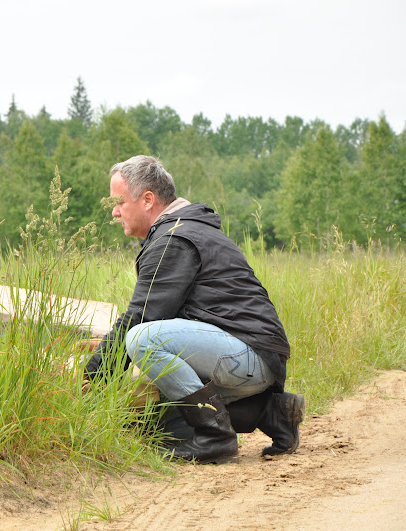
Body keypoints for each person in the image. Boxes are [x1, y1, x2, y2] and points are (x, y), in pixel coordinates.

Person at [83, 155, 304, 463]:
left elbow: (141, 318)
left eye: (119, 202)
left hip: (248, 355)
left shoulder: (175, 239)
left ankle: (216, 437)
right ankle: (272, 413)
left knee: (142, 338)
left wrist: (91, 377)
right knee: (153, 424)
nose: (114, 211)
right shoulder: (183, 230)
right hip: (250, 358)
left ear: (147, 199)